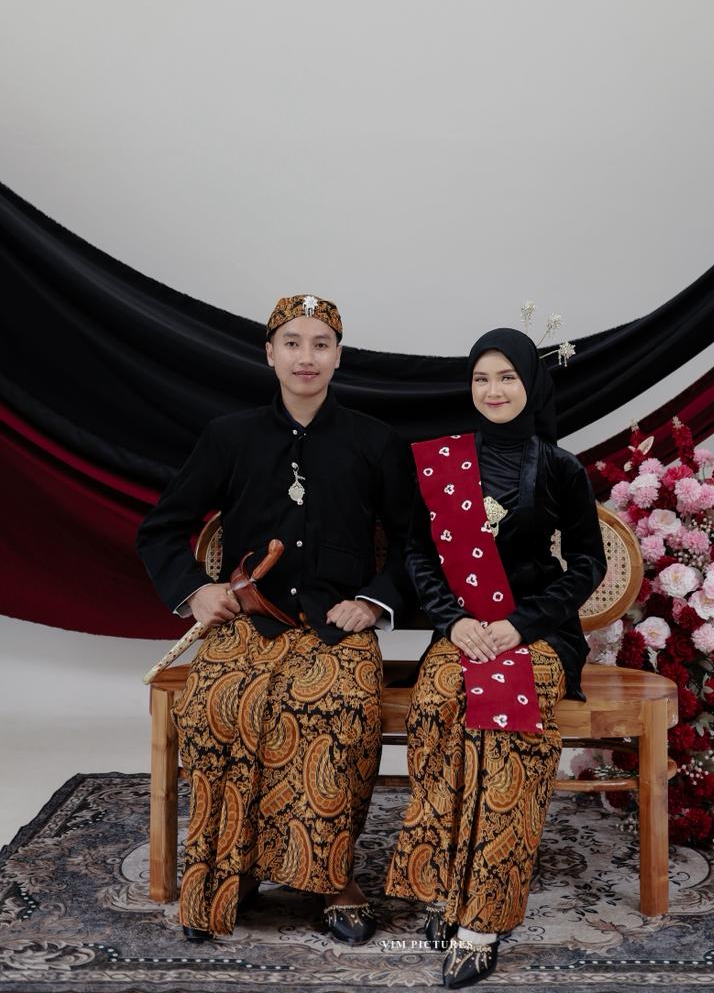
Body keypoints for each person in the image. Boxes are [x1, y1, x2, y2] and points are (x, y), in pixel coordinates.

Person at [138, 294, 413, 945]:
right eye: (292, 343)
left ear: (339, 356)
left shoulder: (376, 441)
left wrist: (373, 601)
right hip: (248, 623)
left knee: (339, 707)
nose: (306, 357)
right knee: (221, 703)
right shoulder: (229, 436)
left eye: (321, 344)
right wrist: (196, 592)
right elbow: (162, 530)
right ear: (269, 354)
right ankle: (231, 872)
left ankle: (333, 880)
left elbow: (415, 549)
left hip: (336, 629)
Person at [385, 328, 607, 988]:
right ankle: (443, 886)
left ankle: (483, 917)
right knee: (437, 702)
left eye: (507, 377)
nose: (493, 390)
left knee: (505, 720)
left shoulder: (561, 468)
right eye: (482, 378)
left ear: (530, 384)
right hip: (463, 631)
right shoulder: (444, 462)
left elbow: (588, 563)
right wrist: (455, 622)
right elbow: (419, 555)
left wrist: (518, 625)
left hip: (537, 631)